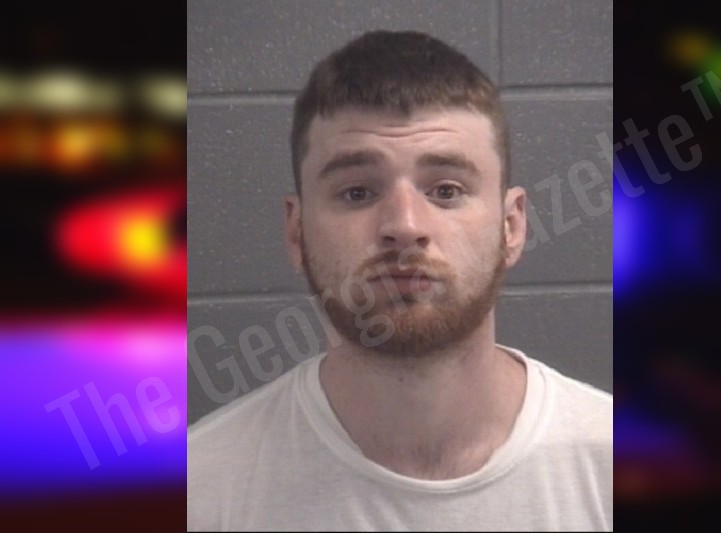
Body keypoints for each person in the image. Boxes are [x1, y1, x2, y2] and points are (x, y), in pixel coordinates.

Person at [188, 30, 612, 531]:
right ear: (297, 231)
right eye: (357, 192)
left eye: (447, 190)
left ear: (511, 226)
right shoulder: (198, 490)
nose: (405, 226)